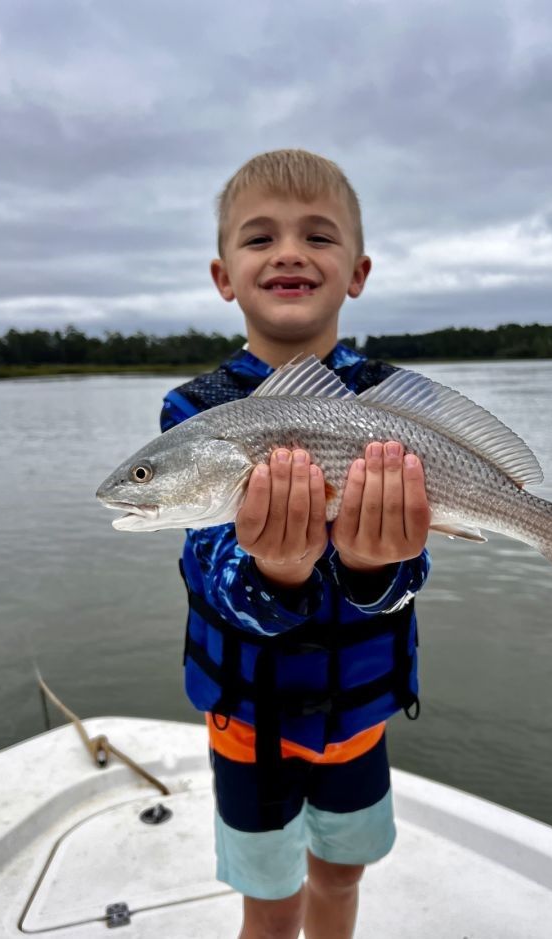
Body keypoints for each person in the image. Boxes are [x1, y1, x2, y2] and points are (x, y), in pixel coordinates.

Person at [160, 149, 431, 939]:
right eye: (259, 239)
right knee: (271, 902)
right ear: (223, 276)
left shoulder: (388, 402)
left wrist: (374, 560)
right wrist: (274, 572)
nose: (288, 252)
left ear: (358, 271)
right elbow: (210, 567)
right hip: (250, 730)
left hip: (358, 723)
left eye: (317, 235)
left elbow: (413, 564)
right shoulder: (196, 413)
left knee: (341, 876)